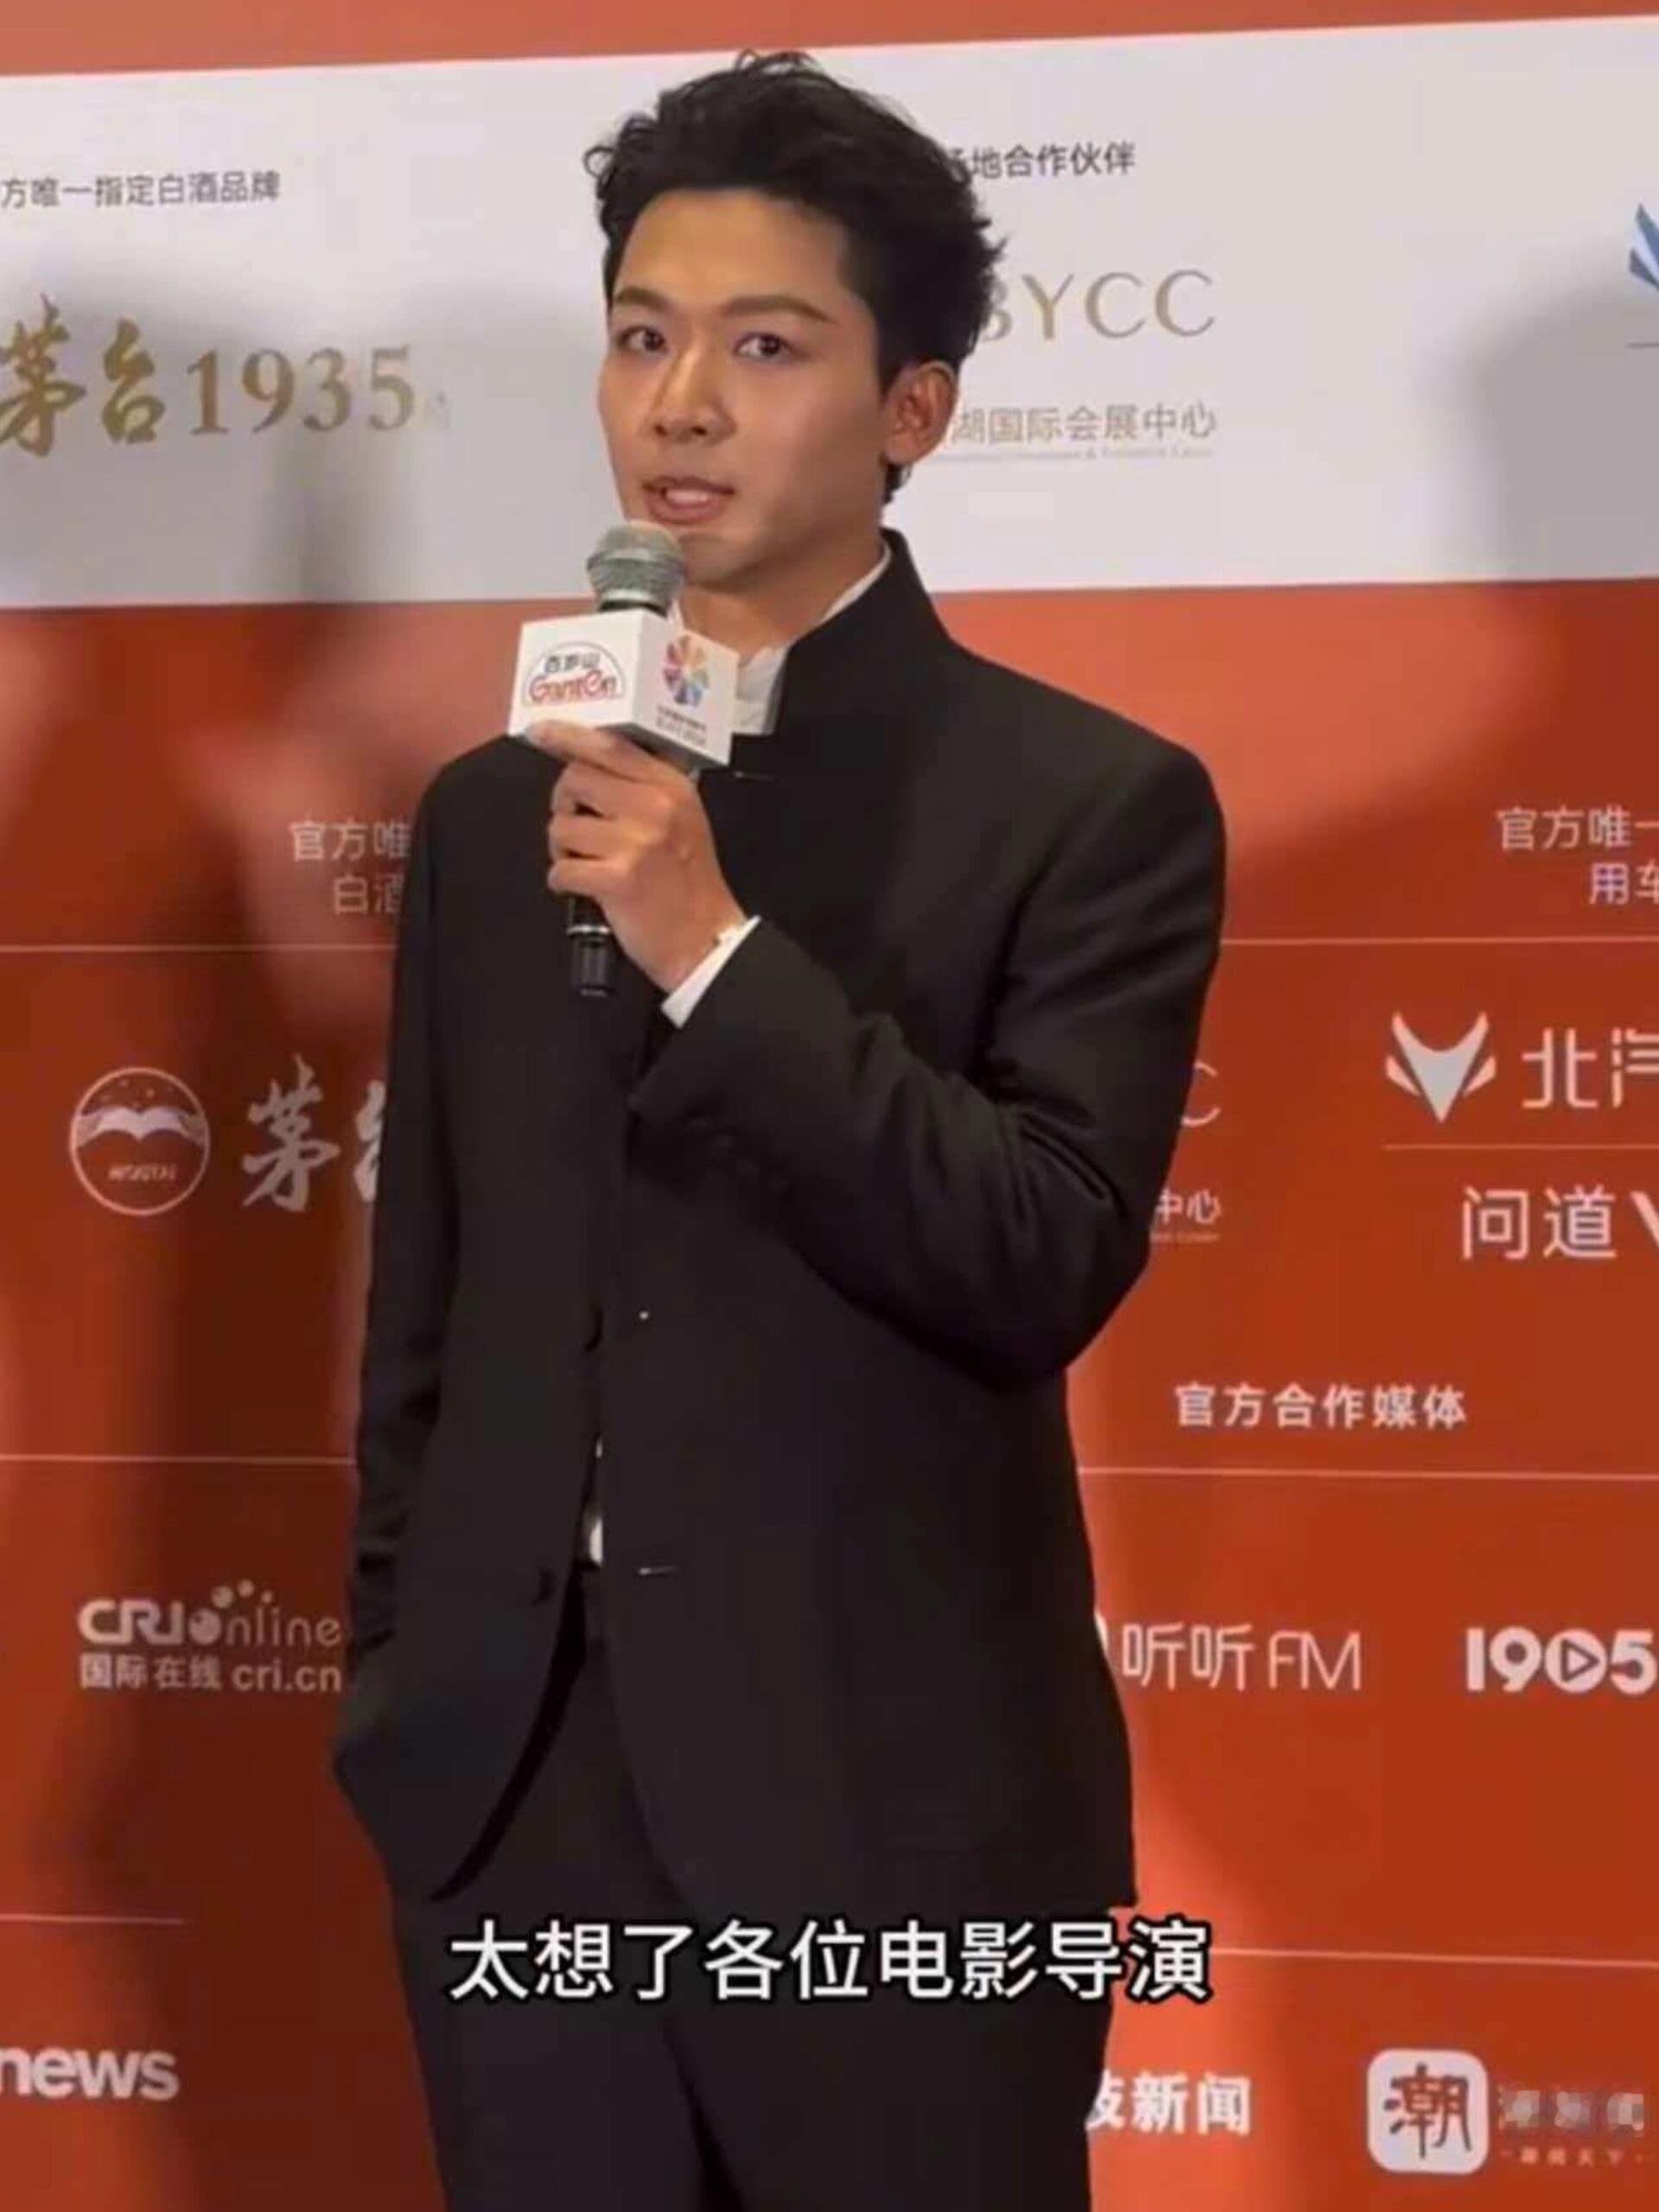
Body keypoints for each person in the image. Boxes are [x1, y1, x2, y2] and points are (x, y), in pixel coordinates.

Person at [330, 47, 1226, 2212]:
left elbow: (1037, 1250)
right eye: (644, 336)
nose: (684, 402)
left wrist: (715, 953)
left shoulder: (1085, 802)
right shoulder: (494, 811)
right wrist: (406, 1687)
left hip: (887, 1815)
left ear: (913, 407)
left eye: (765, 346)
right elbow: (435, 1308)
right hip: (518, 1810)